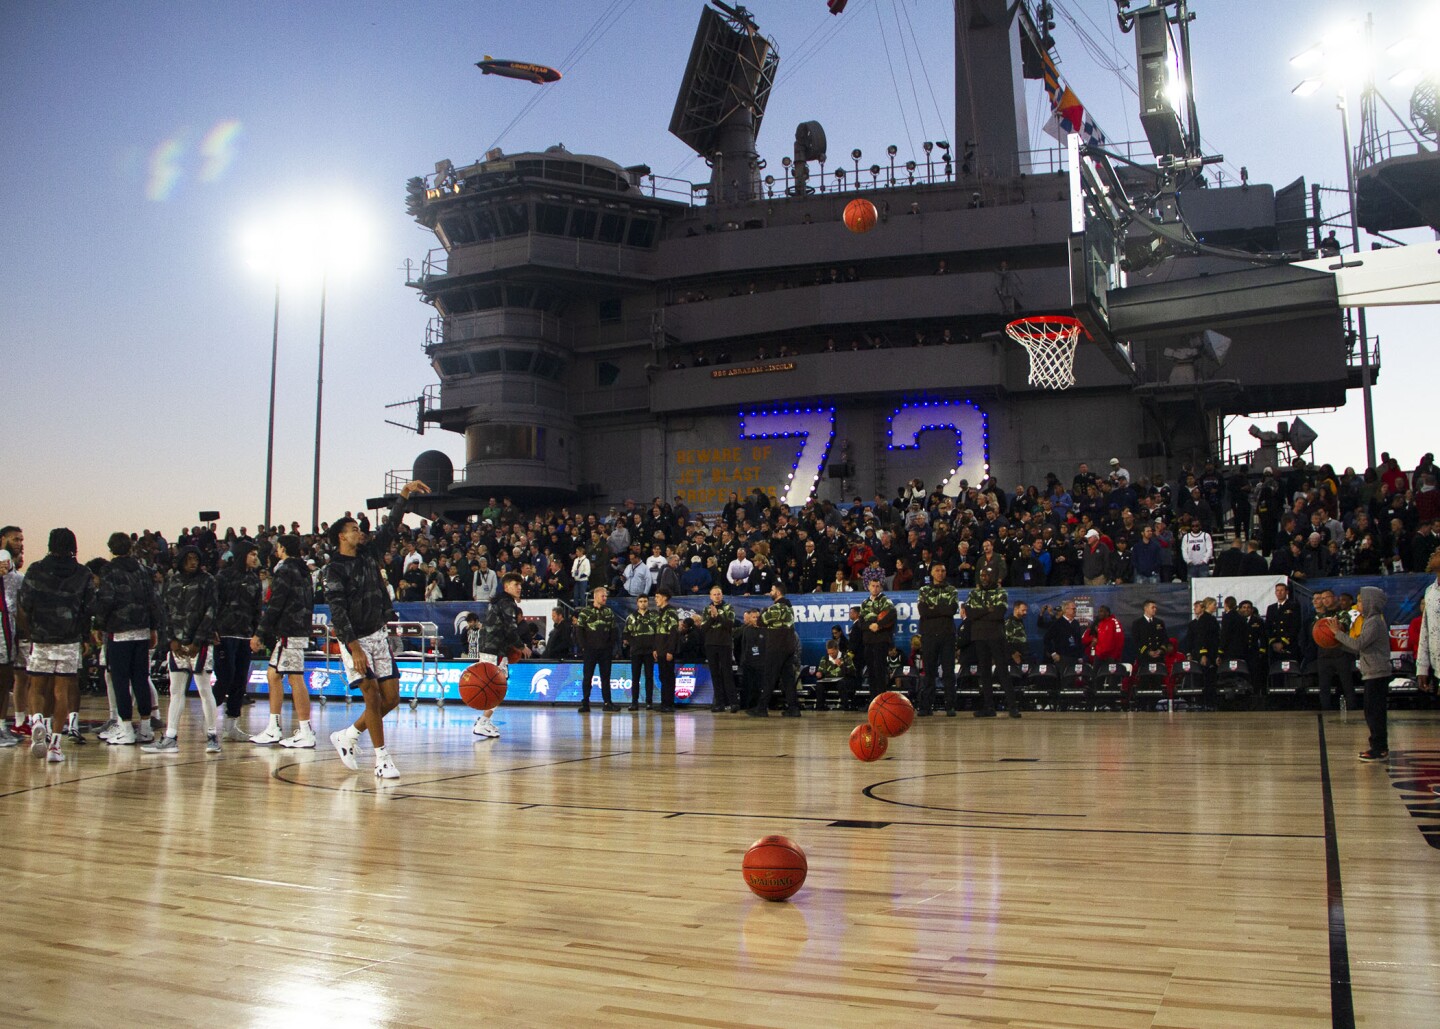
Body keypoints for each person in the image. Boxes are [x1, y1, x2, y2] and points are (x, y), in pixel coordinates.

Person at [325, 480, 431, 779]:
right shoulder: (334, 568)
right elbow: (337, 610)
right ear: (341, 537)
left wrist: (404, 495)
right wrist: (354, 648)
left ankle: (348, 735)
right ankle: (382, 759)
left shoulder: (369, 553)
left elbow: (391, 526)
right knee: (371, 697)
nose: (360, 531)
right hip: (354, 640)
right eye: (353, 529)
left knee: (392, 699)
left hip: (378, 634)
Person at [17, 528, 96, 761]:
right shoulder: (83, 573)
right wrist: (85, 636)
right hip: (69, 639)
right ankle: (55, 747)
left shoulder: (36, 569)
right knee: (63, 692)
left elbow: (24, 604)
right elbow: (89, 607)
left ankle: (38, 720)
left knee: (37, 687)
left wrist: (30, 631)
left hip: (41, 637)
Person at [143, 545, 219, 755]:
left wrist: (198, 641)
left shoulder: (208, 581)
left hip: (200, 645)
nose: (193, 562)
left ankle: (212, 736)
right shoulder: (173, 580)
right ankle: (170, 736)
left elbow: (211, 612)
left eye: (196, 558)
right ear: (182, 560)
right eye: (189, 558)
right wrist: (171, 641)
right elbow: (164, 612)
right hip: (176, 644)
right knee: (176, 692)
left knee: (204, 689)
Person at [91, 532, 164, 746]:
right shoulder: (143, 570)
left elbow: (106, 600)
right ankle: (145, 728)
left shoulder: (109, 570)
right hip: (142, 631)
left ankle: (125, 728)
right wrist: (153, 628)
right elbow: (153, 600)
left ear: (112, 548)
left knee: (120, 681)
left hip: (119, 632)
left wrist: (98, 625)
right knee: (141, 678)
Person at [250, 534, 316, 747]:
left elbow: (276, 604)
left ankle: (305, 730)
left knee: (295, 679)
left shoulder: (285, 570)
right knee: (273, 674)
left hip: (290, 631)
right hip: (298, 629)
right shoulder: (304, 570)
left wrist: (260, 632)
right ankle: (273, 727)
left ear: (282, 548)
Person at [1328, 586, 1392, 761]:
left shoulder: (1374, 622)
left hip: (1377, 672)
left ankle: (1380, 749)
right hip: (1373, 671)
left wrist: (1337, 633)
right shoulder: (1370, 620)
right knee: (1371, 711)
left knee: (1374, 712)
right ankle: (1378, 747)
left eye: (1361, 600)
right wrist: (1337, 642)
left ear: (1371, 602)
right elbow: (1357, 646)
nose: (1358, 604)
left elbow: (1359, 645)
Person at [213, 540, 263, 743]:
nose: (255, 558)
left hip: (245, 636)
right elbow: (213, 604)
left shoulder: (254, 579)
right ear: (242, 554)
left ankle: (231, 727)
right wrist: (212, 629)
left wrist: (257, 634)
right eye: (251, 554)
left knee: (240, 682)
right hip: (224, 636)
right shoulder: (223, 577)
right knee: (225, 678)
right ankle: (209, 720)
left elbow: (257, 609)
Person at [470, 571, 530, 738]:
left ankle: (485, 721)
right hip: (495, 649)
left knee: (495, 686)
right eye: (515, 585)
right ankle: (482, 722)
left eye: (520, 585)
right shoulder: (507, 604)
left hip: (489, 647)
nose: (519, 588)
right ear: (506, 586)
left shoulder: (499, 601)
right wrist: (521, 646)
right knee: (498, 686)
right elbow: (511, 629)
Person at [968, 567, 1014, 717]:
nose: (984, 577)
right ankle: (989, 707)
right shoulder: (974, 593)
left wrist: (980, 613)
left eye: (987, 574)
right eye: (982, 575)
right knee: (985, 672)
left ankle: (1012, 707)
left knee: (1002, 670)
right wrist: (988, 610)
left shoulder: (1001, 592)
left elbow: (1000, 613)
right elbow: (970, 614)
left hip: (996, 636)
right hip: (979, 636)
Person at [749, 583, 799, 717]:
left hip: (776, 647)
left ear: (777, 592)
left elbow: (760, 622)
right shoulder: (789, 608)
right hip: (789, 647)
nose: (770, 592)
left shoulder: (775, 608)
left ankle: (761, 708)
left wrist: (764, 611)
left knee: (769, 677)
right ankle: (794, 708)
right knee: (788, 679)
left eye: (771, 590)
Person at [916, 562, 958, 716]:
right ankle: (926, 706)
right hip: (929, 636)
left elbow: (952, 609)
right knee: (929, 672)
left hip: (947, 635)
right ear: (931, 573)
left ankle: (950, 706)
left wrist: (934, 609)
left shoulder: (951, 590)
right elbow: (923, 611)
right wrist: (941, 609)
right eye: (937, 570)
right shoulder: (924, 590)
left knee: (948, 672)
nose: (941, 573)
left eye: (943, 570)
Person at [575, 586, 618, 712]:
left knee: (606, 677)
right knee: (587, 676)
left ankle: (607, 702)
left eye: (606, 596)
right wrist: (584, 646)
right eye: (602, 596)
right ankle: (585, 702)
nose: (605, 598)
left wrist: (610, 645)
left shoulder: (609, 612)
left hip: (605, 650)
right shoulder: (585, 612)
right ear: (595, 597)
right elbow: (579, 631)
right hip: (590, 650)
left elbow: (614, 630)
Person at [1311, 587, 1355, 712]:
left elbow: (1342, 627)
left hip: (1341, 653)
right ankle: (1325, 711)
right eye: (1322, 598)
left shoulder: (1342, 614)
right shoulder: (1318, 617)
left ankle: (1352, 710)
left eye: (1327, 597)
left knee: (1347, 684)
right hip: (1324, 654)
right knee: (1324, 686)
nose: (1325, 600)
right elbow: (1314, 634)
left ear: (1334, 598)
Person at [858, 579, 897, 701]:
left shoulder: (885, 600)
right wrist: (870, 626)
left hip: (881, 640)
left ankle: (882, 699)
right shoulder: (864, 603)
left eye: (877, 586)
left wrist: (878, 625)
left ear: (880, 588)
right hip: (868, 640)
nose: (875, 588)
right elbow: (860, 622)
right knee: (871, 671)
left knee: (880, 670)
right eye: (873, 586)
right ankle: (873, 700)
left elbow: (892, 614)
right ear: (868, 587)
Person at [701, 586, 738, 712]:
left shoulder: (729, 608)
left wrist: (718, 616)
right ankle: (719, 703)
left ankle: (733, 702)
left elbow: (729, 625)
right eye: (714, 594)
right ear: (710, 596)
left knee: (727, 674)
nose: (717, 596)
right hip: (710, 644)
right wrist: (712, 617)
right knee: (715, 674)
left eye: (719, 594)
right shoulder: (706, 609)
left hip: (724, 644)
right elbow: (703, 628)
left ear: (722, 595)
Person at [623, 594, 657, 710]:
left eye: (645, 601)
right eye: (641, 601)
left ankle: (649, 702)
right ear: (637, 603)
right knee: (635, 677)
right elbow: (626, 633)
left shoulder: (654, 616)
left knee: (649, 677)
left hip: (649, 652)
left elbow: (658, 633)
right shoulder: (631, 617)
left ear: (648, 602)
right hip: (636, 651)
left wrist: (655, 647)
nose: (643, 603)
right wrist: (633, 643)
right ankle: (634, 702)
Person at [651, 587, 681, 712]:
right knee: (663, 676)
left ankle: (669, 703)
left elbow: (674, 633)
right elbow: (656, 632)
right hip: (660, 649)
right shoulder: (660, 612)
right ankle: (664, 702)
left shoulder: (671, 612)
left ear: (664, 597)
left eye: (657, 597)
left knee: (668, 677)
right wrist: (655, 648)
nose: (655, 599)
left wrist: (670, 650)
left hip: (667, 650)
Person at [814, 639, 858, 711]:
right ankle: (820, 706)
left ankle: (845, 706)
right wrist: (819, 674)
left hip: (843, 679)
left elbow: (852, 672)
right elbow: (821, 671)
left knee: (842, 683)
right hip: (829, 680)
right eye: (829, 653)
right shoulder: (824, 659)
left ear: (837, 649)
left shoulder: (845, 657)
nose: (831, 655)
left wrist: (841, 665)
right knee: (819, 685)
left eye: (833, 653)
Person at [737, 609, 766, 711]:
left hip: (761, 663)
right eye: (753, 617)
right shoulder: (747, 630)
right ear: (749, 619)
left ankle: (757, 706)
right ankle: (746, 705)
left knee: (758, 686)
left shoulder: (765, 630)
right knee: (747, 686)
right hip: (748, 663)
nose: (756, 619)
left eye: (757, 617)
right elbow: (744, 646)